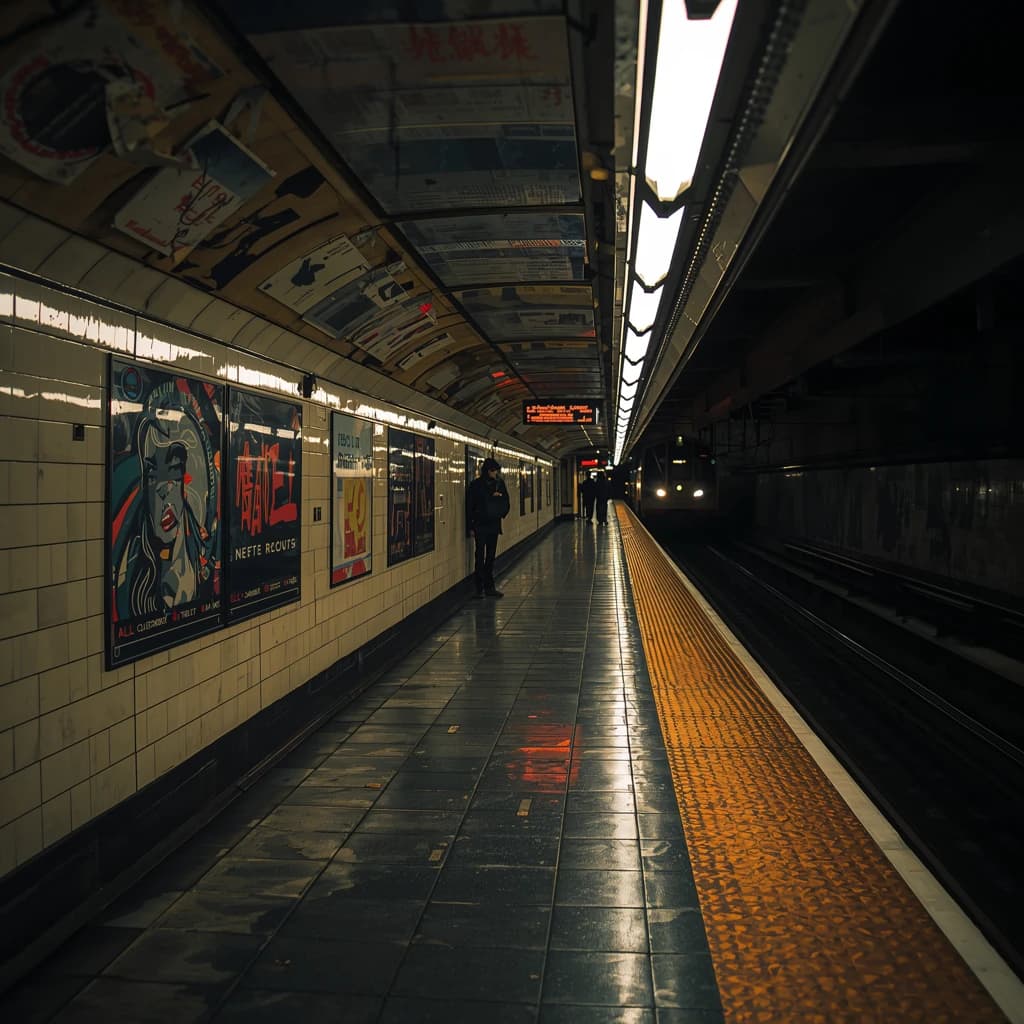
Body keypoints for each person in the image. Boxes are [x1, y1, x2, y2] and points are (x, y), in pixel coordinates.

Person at [467, 457, 511, 597]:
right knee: (480, 556)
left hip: (492, 524)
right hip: (480, 525)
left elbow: (506, 502)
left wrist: (500, 512)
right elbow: (469, 507)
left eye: (496, 470)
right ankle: (479, 588)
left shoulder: (499, 484)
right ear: (487, 470)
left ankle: (489, 586)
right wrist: (470, 526)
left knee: (490, 556)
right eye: (493, 470)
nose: (495, 473)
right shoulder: (476, 485)